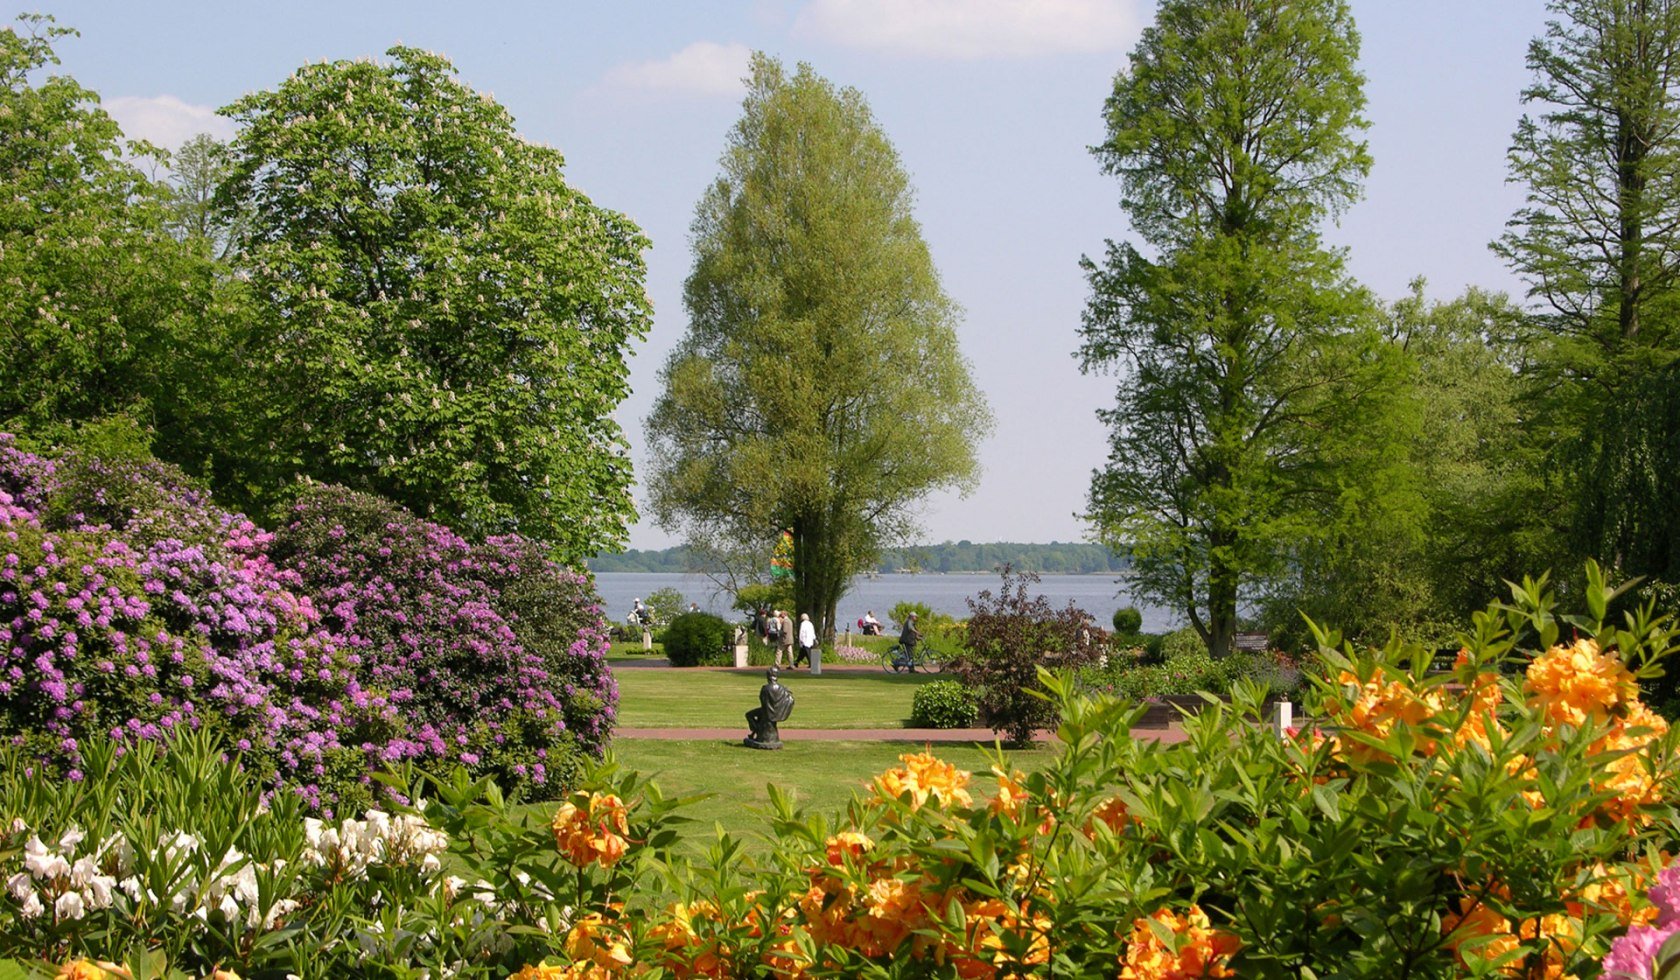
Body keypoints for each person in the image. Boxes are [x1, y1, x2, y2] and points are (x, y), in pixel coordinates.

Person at [744, 667, 795, 748]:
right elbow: (791, 699)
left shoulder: (765, 688)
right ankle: (758, 731)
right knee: (758, 715)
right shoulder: (782, 688)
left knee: (749, 715)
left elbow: (763, 701)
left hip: (766, 711)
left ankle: (757, 730)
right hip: (775, 712)